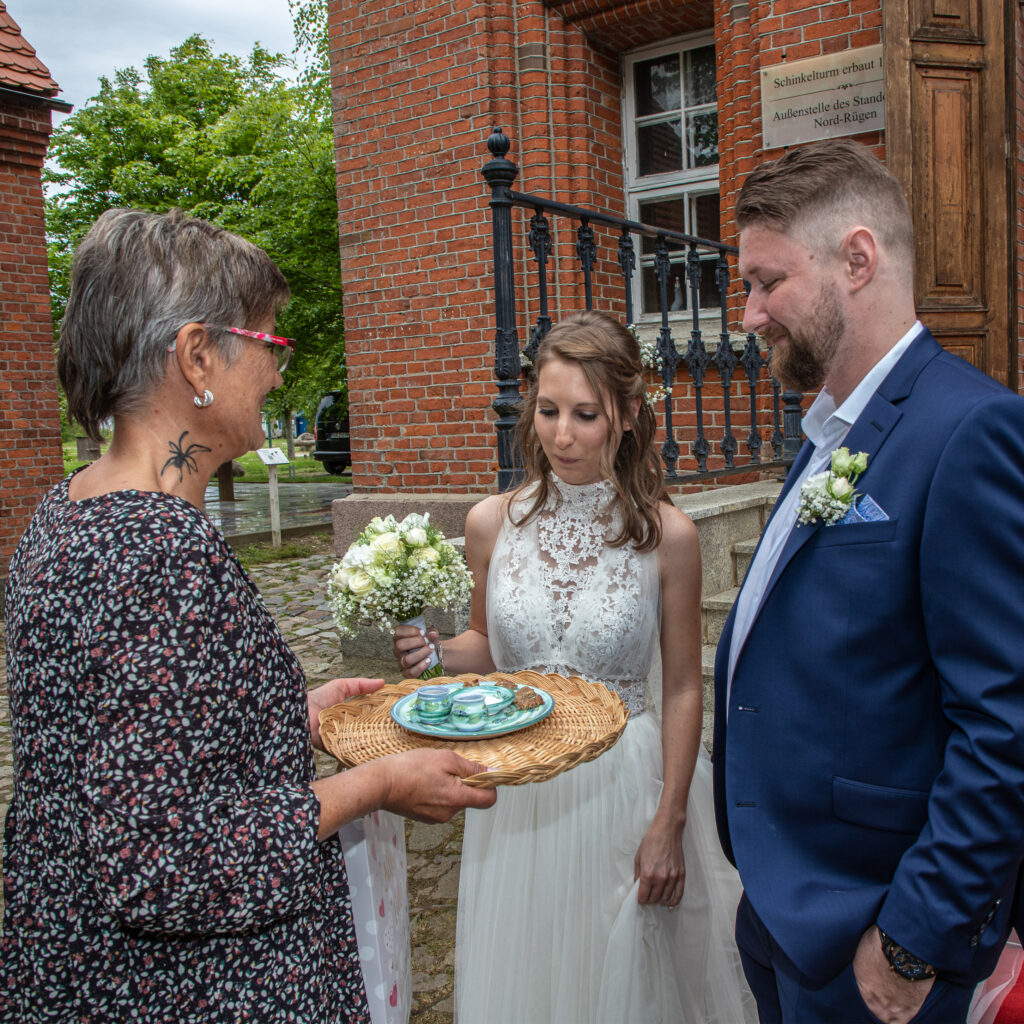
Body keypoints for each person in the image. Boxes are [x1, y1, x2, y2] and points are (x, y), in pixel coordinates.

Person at [0, 208, 496, 1023]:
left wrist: (281, 717)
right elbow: (162, 862)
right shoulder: (155, 551)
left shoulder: (69, 509)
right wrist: (375, 784)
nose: (278, 370)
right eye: (269, 342)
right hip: (192, 990)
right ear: (198, 355)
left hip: (80, 964)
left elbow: (126, 743)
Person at [713, 138, 1024, 1023]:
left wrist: (912, 940)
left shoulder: (971, 433)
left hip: (876, 938)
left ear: (858, 259)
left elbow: (1004, 726)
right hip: (784, 914)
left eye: (767, 281)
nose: (750, 315)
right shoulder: (827, 435)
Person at [394, 311, 755, 1024]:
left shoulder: (667, 536)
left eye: (585, 415)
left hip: (621, 790)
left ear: (624, 414)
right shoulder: (491, 522)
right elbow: (485, 646)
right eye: (549, 411)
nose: (561, 434)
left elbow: (683, 688)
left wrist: (670, 819)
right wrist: (434, 653)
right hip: (521, 792)